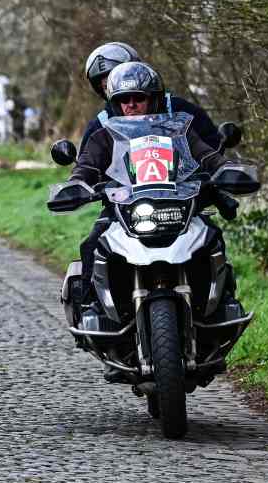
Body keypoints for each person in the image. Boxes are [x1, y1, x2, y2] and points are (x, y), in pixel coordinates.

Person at [71, 61, 235, 325]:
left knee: (211, 234)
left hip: (177, 204)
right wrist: (76, 184)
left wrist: (226, 170)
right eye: (124, 99)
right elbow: (87, 165)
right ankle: (94, 307)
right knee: (93, 243)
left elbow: (207, 155)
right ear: (115, 103)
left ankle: (222, 302)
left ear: (155, 100)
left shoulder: (178, 132)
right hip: (123, 210)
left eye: (139, 98)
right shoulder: (104, 137)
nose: (131, 105)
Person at [79, 41, 221, 151]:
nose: (131, 104)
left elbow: (211, 148)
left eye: (138, 97)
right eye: (106, 87)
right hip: (121, 190)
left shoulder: (178, 110)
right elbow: (86, 168)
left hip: (181, 187)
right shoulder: (101, 125)